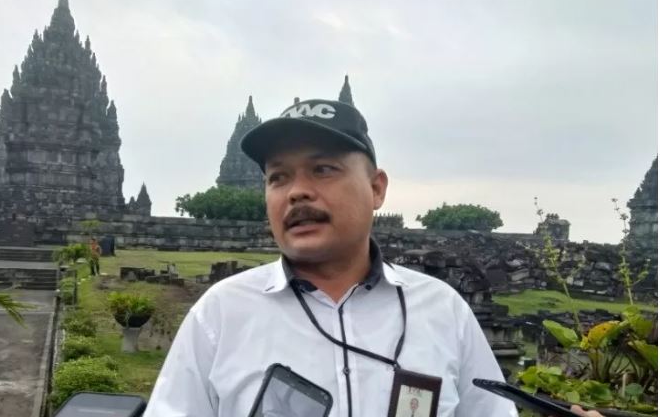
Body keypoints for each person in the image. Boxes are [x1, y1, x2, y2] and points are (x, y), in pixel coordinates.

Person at [144, 99, 603, 417]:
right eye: (277, 177)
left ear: (377, 188)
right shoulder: (222, 313)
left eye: (323, 169)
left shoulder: (442, 311)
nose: (297, 190)